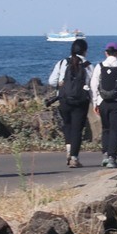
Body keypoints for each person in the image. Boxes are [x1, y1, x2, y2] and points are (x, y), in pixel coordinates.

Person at [48, 38, 91, 168]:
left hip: (64, 100)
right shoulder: (88, 65)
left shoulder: (62, 63)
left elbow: (51, 81)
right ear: (85, 51)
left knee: (67, 125)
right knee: (77, 129)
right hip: (80, 101)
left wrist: (61, 84)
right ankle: (74, 157)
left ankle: (68, 150)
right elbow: (92, 83)